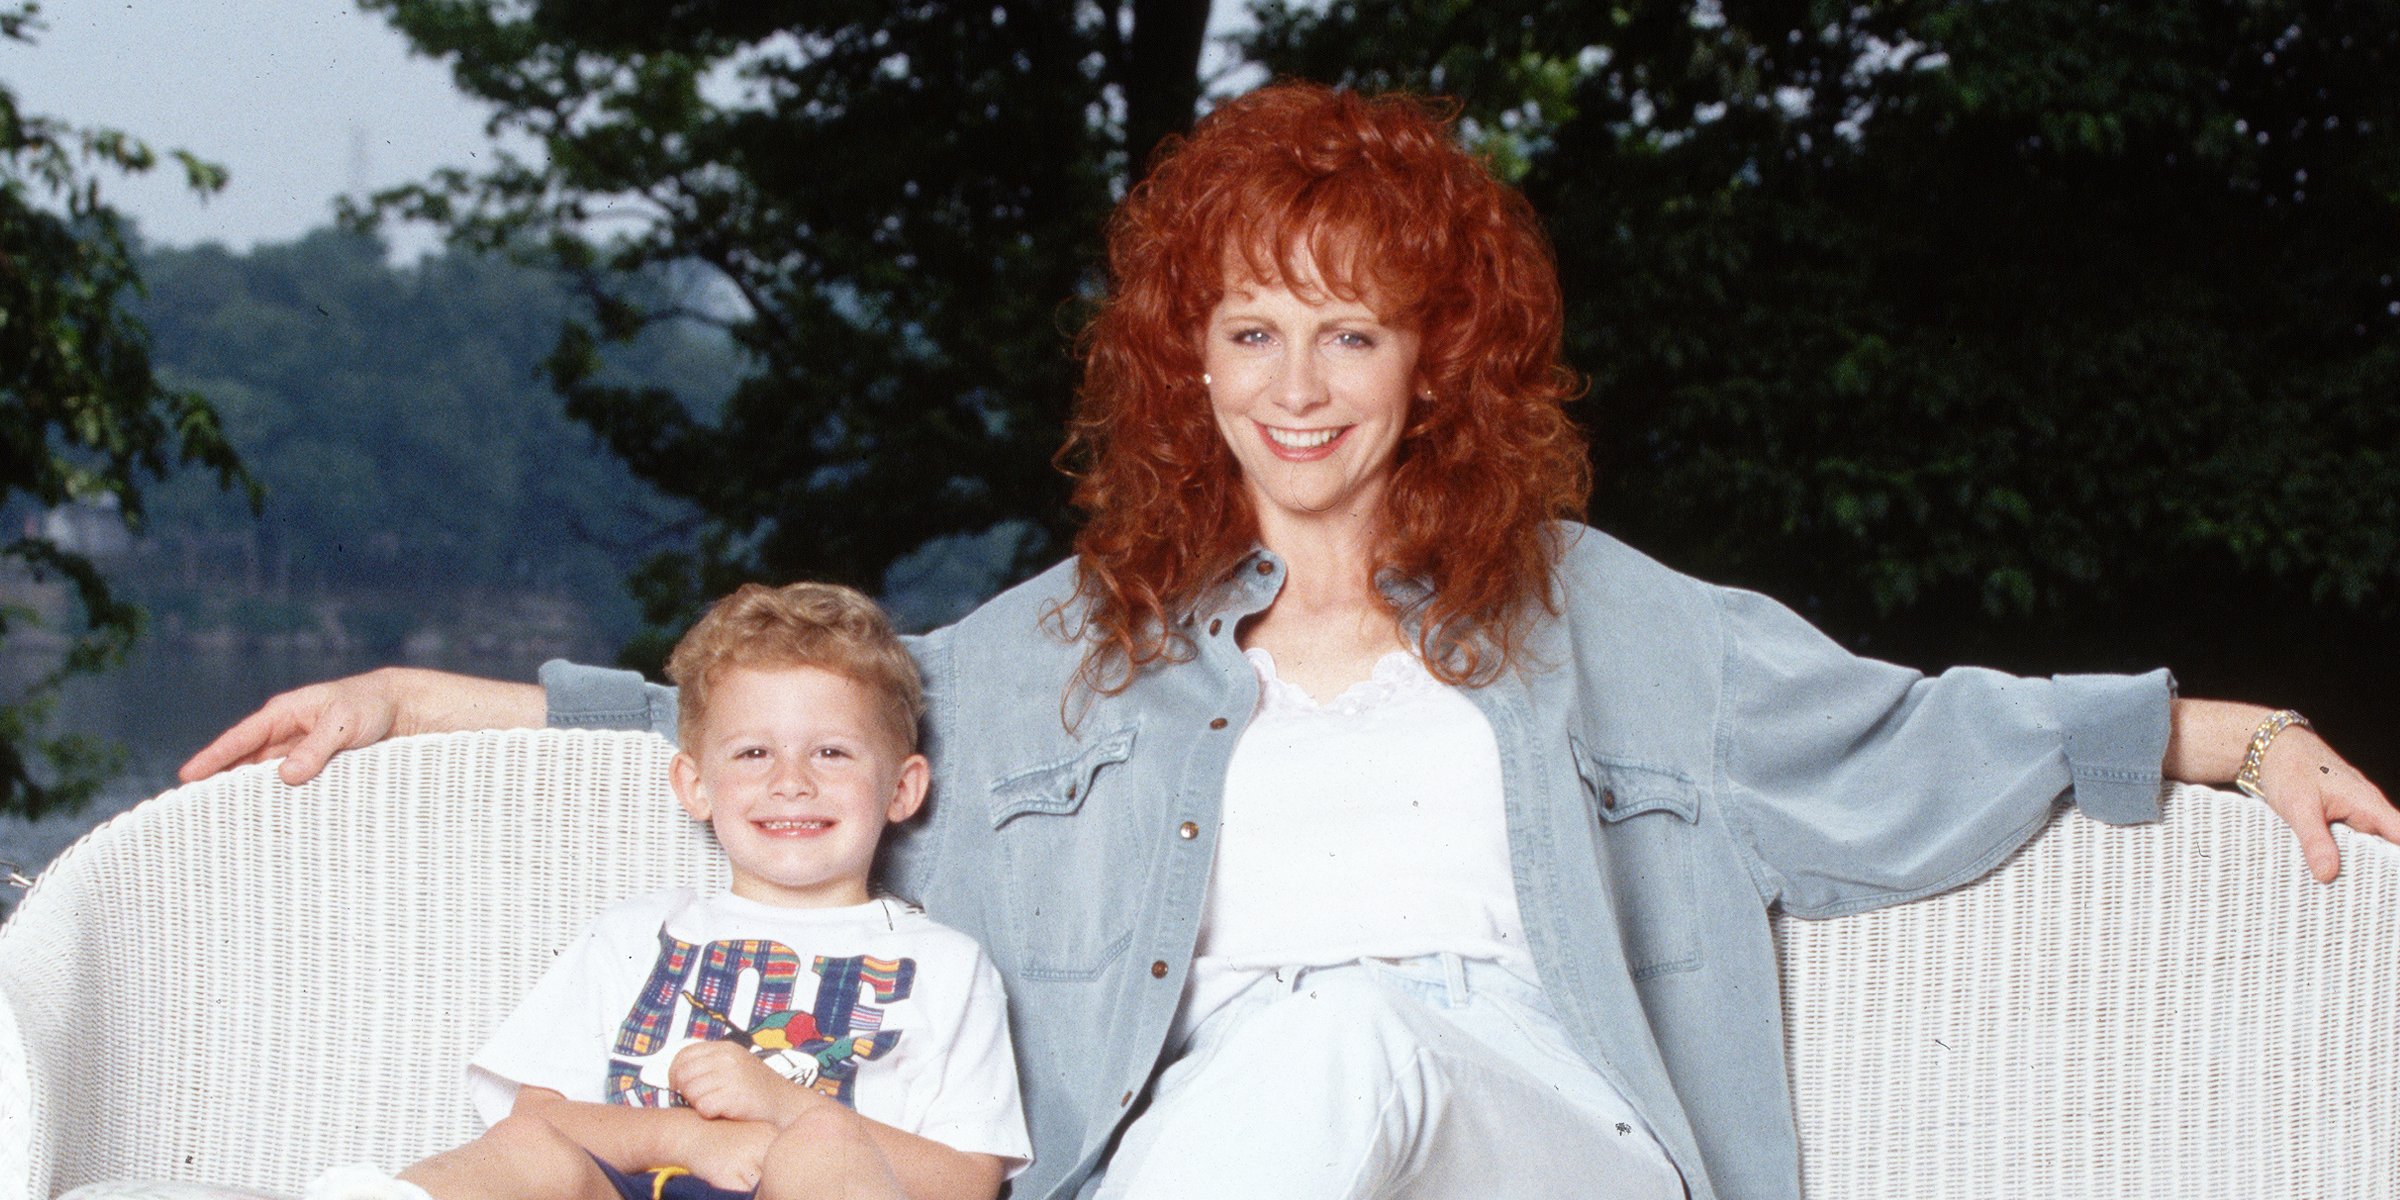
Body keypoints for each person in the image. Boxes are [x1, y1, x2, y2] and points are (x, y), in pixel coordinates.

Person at [186, 83, 2397, 1200]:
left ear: (1440, 360)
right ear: (1191, 361)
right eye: (1252, 329)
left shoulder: (1586, 608)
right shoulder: (1088, 638)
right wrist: (419, 694)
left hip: (1528, 1115)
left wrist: (2225, 731)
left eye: (1355, 329)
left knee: (1341, 1048)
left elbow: (1908, 733)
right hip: (1224, 1121)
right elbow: (819, 730)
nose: (1302, 384)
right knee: (1260, 1082)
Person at [310, 582, 1030, 1200]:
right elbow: (537, 1115)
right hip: (633, 1183)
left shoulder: (946, 966)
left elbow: (969, 1180)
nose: (791, 780)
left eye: (832, 752)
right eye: (753, 752)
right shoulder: (634, 934)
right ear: (694, 785)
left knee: (826, 1145)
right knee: (529, 1153)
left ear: (902, 788)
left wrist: (785, 1108)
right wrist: (682, 1138)